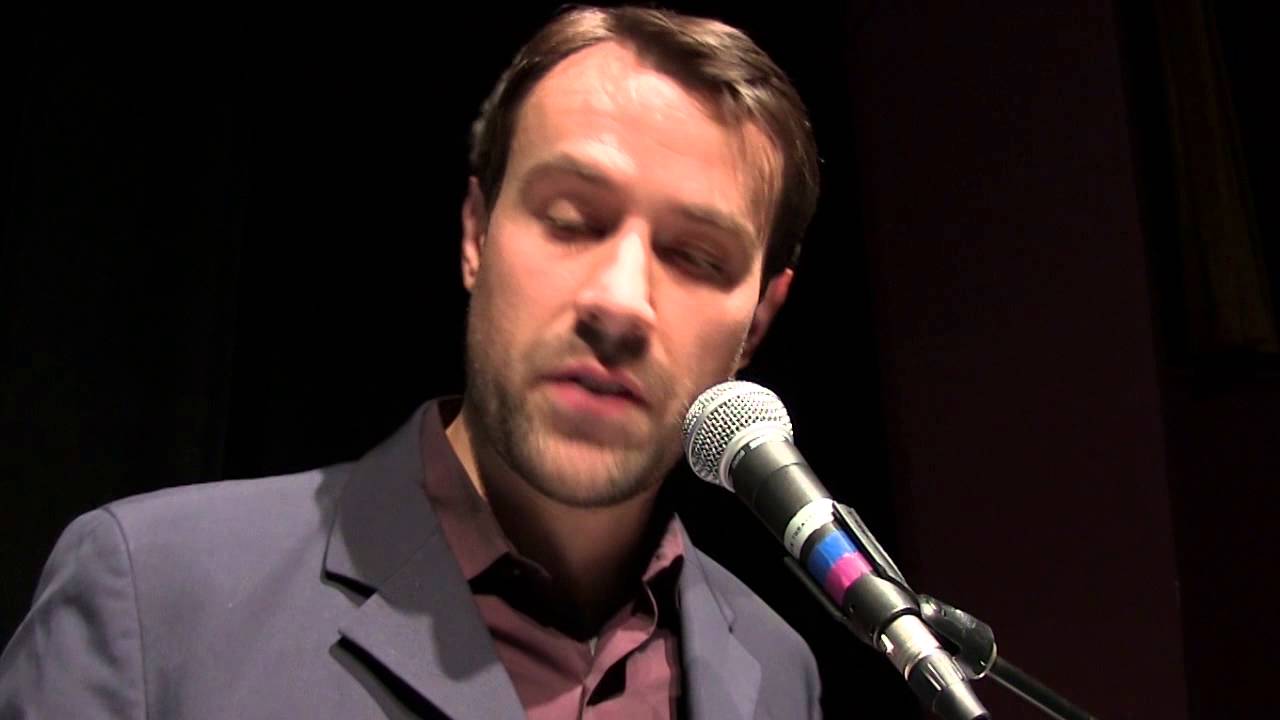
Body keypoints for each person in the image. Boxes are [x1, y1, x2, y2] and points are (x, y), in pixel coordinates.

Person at [0, 5, 823, 718]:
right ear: (476, 235)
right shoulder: (154, 593)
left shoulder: (778, 672)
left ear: (758, 319)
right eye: (571, 220)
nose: (620, 300)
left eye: (696, 257)